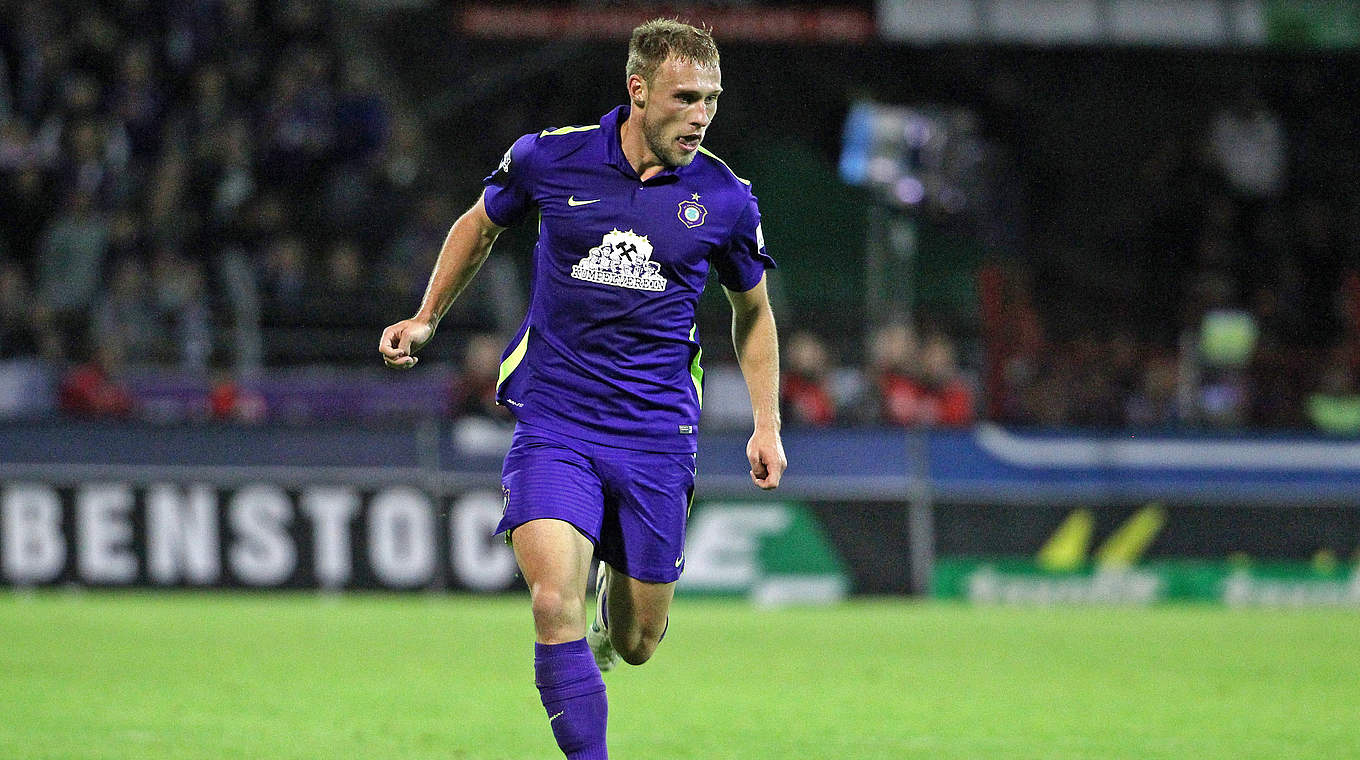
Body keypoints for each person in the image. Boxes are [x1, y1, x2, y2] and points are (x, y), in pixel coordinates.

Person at [378, 19, 785, 760]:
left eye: (711, 100)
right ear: (637, 91)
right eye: (685, 97)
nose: (701, 116)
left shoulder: (726, 199)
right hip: (557, 420)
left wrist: (766, 422)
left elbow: (752, 313)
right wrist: (427, 316)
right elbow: (481, 224)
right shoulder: (549, 158)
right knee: (548, 599)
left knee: (638, 643)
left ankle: (617, 615)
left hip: (658, 434)